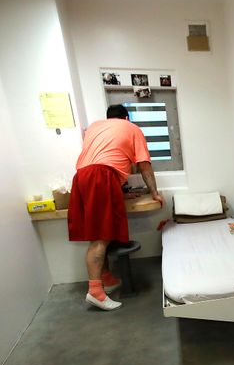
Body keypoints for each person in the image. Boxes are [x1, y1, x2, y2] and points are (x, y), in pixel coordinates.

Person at [68, 104, 164, 310]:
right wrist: (155, 192)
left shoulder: (94, 127)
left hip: (81, 178)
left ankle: (106, 278)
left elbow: (101, 158)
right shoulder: (132, 128)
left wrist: (119, 191)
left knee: (96, 233)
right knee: (101, 237)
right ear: (126, 118)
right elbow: (144, 165)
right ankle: (95, 292)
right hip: (101, 177)